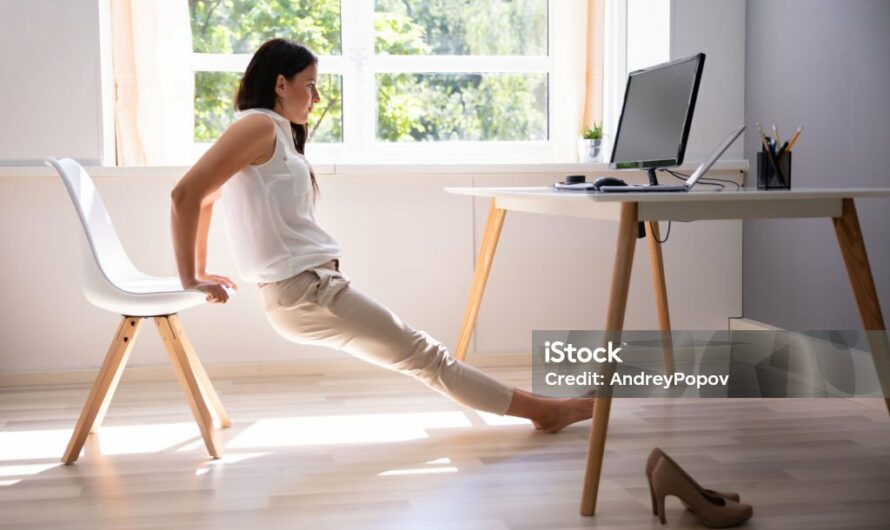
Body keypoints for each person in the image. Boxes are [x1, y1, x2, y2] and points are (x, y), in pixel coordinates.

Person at [170, 38, 594, 433]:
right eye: (310, 86)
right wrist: (192, 277)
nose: (316, 99)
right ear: (281, 83)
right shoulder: (259, 125)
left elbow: (205, 198)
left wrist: (202, 269)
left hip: (308, 288)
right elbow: (186, 194)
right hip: (305, 290)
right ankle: (548, 413)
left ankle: (544, 409)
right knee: (429, 359)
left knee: (425, 358)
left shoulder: (269, 130)